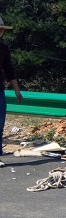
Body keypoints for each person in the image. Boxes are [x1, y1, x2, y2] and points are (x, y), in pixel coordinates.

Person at [0, 14, 23, 156]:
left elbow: (9, 70)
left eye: (2, 30)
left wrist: (17, 90)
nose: (1, 32)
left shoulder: (3, 48)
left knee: (0, 123)